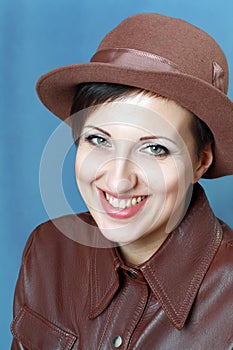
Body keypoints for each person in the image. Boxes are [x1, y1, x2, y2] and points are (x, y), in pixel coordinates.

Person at [11, 13, 233, 349]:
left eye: (155, 149)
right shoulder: (46, 251)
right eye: (99, 140)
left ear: (200, 161)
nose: (118, 180)